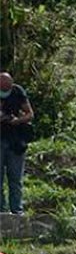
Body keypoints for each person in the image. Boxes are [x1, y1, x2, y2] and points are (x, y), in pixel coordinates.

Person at [0, 72, 34, 215]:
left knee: (15, 179)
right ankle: (1, 210)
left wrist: (17, 121)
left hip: (15, 141)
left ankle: (17, 211)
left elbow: (30, 114)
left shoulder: (18, 91)